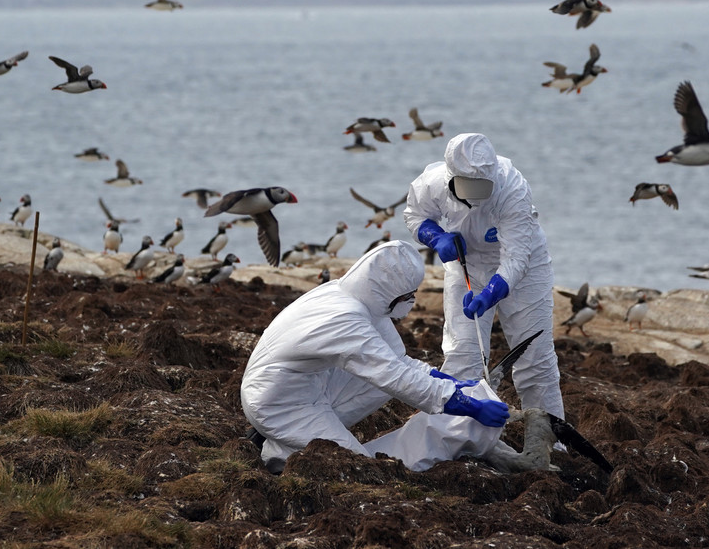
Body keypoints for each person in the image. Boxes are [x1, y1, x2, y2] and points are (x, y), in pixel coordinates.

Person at [240, 240, 510, 474]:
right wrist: (467, 406)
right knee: (355, 465)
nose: (412, 300)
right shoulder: (345, 320)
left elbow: (398, 360)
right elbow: (394, 376)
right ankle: (279, 448)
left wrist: (448, 382)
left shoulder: (360, 298)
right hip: (276, 402)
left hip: (306, 383)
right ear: (388, 290)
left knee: (377, 384)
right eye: (408, 295)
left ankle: (279, 445)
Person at [404, 132, 565, 420]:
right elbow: (414, 215)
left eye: (483, 186)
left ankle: (550, 438)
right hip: (466, 265)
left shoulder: (512, 187)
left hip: (526, 268)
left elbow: (516, 257)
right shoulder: (432, 183)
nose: (478, 194)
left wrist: (491, 292)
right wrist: (435, 237)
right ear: (452, 176)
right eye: (469, 186)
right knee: (462, 355)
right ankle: (453, 435)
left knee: (535, 359)